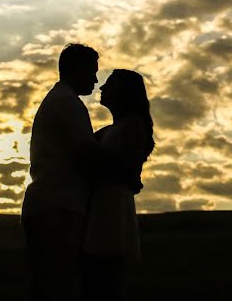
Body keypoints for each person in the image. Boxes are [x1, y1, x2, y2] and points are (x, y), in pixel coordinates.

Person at [21, 43, 142, 301]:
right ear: (78, 69)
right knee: (59, 287)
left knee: (51, 284)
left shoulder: (60, 101)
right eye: (93, 71)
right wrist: (127, 176)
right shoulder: (68, 104)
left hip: (53, 203)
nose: (96, 80)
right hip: (58, 205)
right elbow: (88, 154)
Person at [82, 69, 155, 301]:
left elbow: (121, 168)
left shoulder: (132, 125)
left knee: (106, 278)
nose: (102, 88)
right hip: (105, 204)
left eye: (110, 84)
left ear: (125, 92)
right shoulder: (113, 129)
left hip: (111, 205)